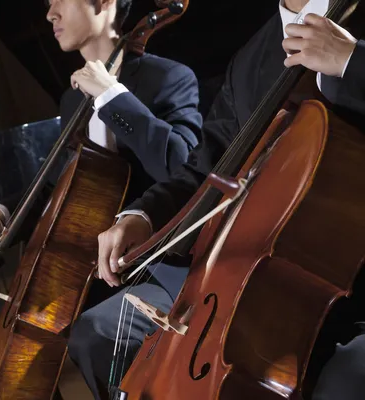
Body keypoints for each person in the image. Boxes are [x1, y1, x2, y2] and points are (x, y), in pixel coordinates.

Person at [67, 0, 365, 398]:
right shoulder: (249, 59)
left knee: (343, 380)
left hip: (349, 272)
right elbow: (205, 167)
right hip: (248, 269)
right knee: (102, 333)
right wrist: (143, 216)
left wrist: (350, 61)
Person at [0, 0, 204, 395]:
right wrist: (2, 212)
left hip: (149, 263)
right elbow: (59, 179)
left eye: (60, 0)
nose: (50, 14)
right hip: (90, 265)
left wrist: (113, 97)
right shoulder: (71, 98)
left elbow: (183, 166)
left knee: (92, 334)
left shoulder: (169, 77)